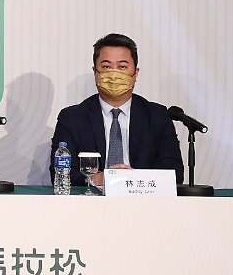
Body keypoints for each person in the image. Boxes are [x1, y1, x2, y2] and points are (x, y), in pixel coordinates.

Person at [49, 33, 183, 188]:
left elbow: (174, 173)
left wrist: (132, 180)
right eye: (106, 67)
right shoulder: (72, 118)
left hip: (143, 197)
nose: (114, 74)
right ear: (95, 72)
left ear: (135, 73)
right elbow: (60, 173)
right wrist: (98, 179)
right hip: (92, 199)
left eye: (122, 67)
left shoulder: (157, 116)